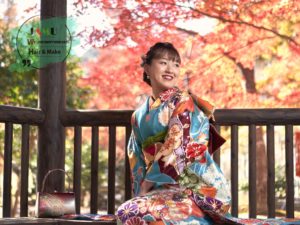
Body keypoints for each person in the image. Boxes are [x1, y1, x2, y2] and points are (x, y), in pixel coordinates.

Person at [117, 42, 300, 225]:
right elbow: (137, 158)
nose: (170, 69)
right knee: (129, 211)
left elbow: (180, 146)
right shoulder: (138, 116)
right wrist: (141, 192)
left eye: (176, 64)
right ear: (147, 68)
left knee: (141, 213)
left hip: (196, 190)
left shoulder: (184, 102)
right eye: (163, 62)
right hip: (159, 190)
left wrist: (148, 183)